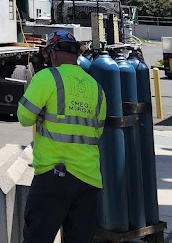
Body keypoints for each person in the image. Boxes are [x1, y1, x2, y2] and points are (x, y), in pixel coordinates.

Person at [17, 29, 106, 243]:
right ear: (77, 55)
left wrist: (42, 114)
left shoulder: (47, 78)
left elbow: (24, 117)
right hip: (89, 180)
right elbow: (97, 131)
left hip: (53, 176)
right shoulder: (97, 88)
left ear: (53, 54)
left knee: (37, 238)